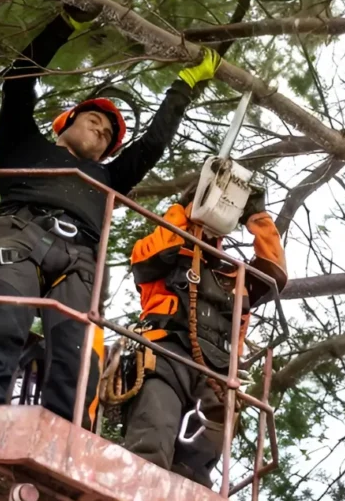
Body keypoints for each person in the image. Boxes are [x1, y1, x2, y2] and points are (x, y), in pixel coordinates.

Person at [0, 5, 220, 430]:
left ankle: (67, 432)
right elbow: (18, 79)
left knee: (79, 352)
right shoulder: (24, 144)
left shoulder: (110, 177)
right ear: (66, 122)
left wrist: (184, 86)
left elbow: (152, 145)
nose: (103, 130)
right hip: (20, 233)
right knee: (3, 321)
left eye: (109, 135)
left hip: (79, 258)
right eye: (95, 120)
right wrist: (65, 23)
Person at [121, 186, 287, 485]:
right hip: (166, 356)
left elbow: (274, 274)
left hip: (218, 375)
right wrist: (184, 206)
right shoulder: (165, 256)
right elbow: (156, 253)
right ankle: (136, 499)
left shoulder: (236, 277)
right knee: (152, 439)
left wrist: (257, 217)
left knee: (197, 467)